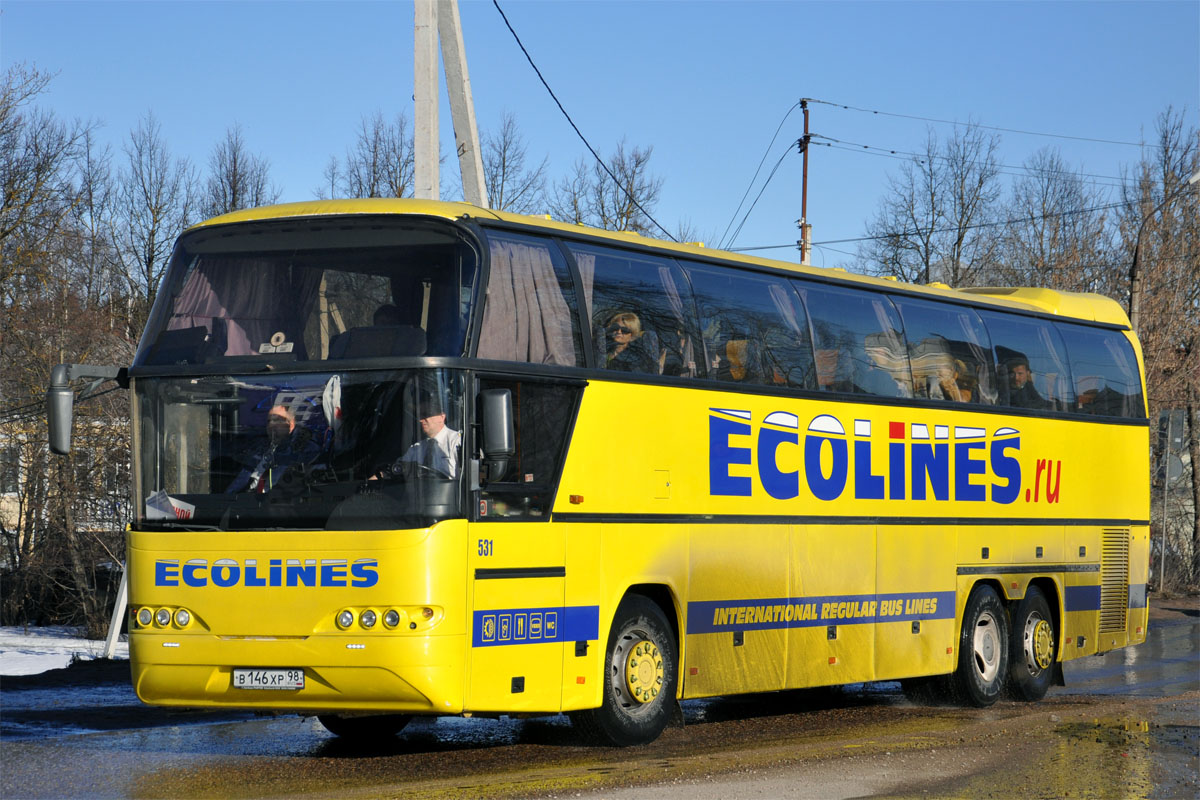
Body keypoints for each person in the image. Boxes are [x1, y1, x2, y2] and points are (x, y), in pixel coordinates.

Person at [227, 404, 319, 493]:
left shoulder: (306, 449)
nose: (271, 425)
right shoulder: (260, 447)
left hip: (283, 502)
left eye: (277, 420)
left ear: (291, 424)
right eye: (269, 421)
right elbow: (240, 481)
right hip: (249, 501)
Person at [397, 395, 461, 478]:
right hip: (419, 490)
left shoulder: (457, 441)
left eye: (426, 415)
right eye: (419, 416)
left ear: (441, 417)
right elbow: (398, 468)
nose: (420, 420)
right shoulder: (416, 448)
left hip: (451, 490)